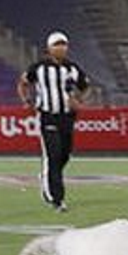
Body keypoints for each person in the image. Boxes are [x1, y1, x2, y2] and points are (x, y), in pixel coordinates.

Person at [19, 31, 90, 211]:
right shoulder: (39, 67)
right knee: (53, 154)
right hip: (48, 115)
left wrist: (78, 100)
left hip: (67, 117)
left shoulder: (72, 68)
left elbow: (85, 86)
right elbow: (23, 83)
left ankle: (48, 177)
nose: (61, 48)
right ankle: (56, 198)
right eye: (57, 44)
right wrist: (27, 101)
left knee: (65, 154)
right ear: (49, 48)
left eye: (64, 44)